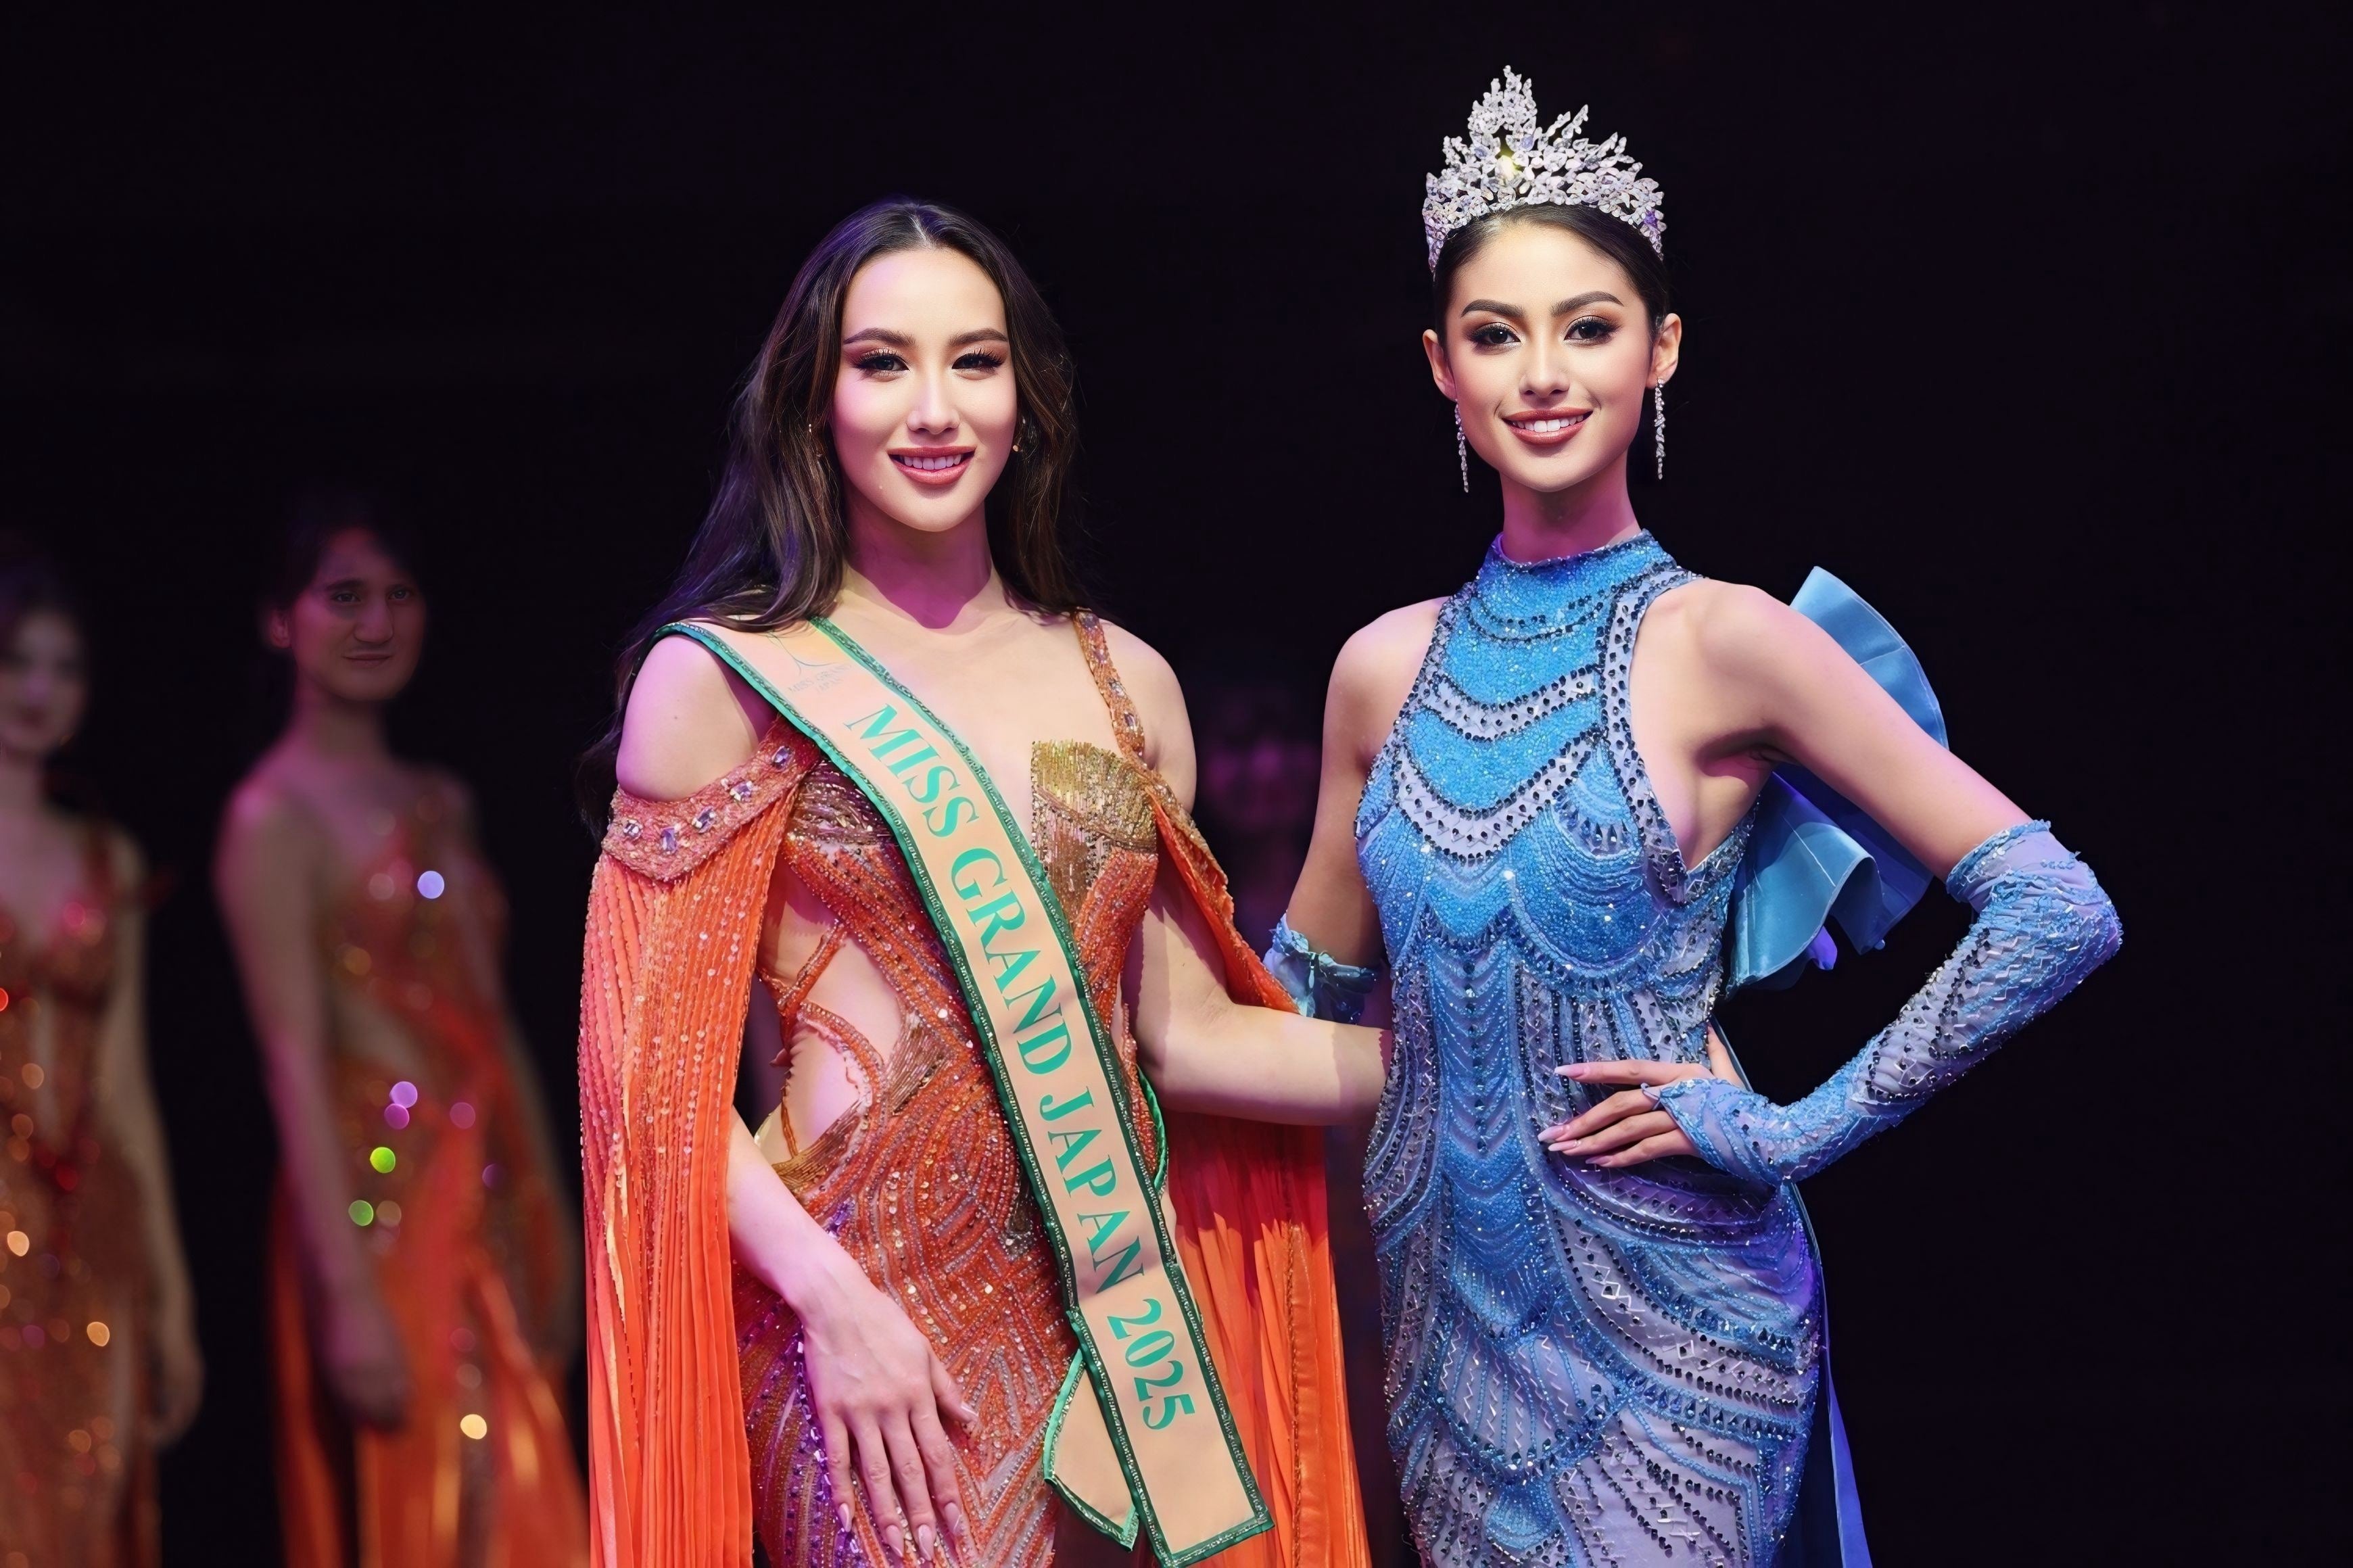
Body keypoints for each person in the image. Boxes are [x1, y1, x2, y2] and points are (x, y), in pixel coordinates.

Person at [1266, 72, 2123, 1567]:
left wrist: (1793, 1127)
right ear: (1440, 368)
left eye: (1590, 327)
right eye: (1496, 334)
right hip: (1443, 1327)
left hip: (1680, 1329)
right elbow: (1299, 998)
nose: (1544, 373)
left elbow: (2059, 908)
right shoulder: (1380, 669)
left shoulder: (1730, 639)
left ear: (1662, 349)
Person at [577, 198, 1385, 1568]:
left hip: (1114, 1343)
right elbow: (642, 1081)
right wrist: (833, 1303)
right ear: (814, 400)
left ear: (1029, 397)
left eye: (975, 360)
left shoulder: (1128, 682)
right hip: (861, 1340)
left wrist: (1477, 1065)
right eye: (882, 363)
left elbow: (1185, 1034)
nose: (934, 408)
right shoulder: (724, 682)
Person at [214, 499, 585, 1567]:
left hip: (490, 1188)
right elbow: (291, 1060)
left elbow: (490, 1019)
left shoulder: (442, 800)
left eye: (398, 595)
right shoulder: (273, 818)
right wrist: (346, 1294)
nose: (376, 623)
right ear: (279, 620)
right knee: (436, 1506)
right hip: (377, 1204)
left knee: (524, 1496)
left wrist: (551, 1212)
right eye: (344, 597)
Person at [0, 539, 201, 1567]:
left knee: (88, 1504)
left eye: (64, 667)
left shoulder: (107, 860)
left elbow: (125, 1084)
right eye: (16, 661)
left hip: (93, 1224)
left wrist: (173, 1294)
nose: (39, 689)